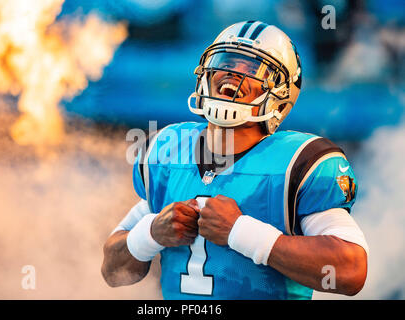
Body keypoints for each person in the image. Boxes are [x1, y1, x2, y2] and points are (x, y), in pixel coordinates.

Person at [101, 21, 369, 299]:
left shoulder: (299, 163)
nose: (232, 72)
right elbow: (112, 271)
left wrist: (241, 232)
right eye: (226, 61)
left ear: (279, 92)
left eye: (252, 68)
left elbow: (350, 271)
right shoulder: (166, 151)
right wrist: (151, 233)